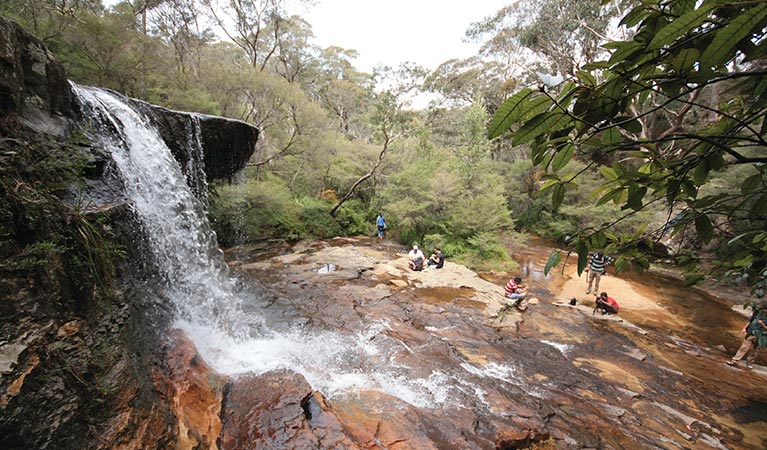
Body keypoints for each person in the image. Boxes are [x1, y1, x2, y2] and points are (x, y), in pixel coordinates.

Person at [726, 303, 767, 369]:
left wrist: (762, 324)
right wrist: (744, 328)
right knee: (743, 348)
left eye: (765, 310)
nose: (764, 311)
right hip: (750, 333)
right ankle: (734, 361)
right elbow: (750, 321)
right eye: (763, 309)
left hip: (760, 336)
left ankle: (750, 363)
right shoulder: (757, 313)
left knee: (755, 351)